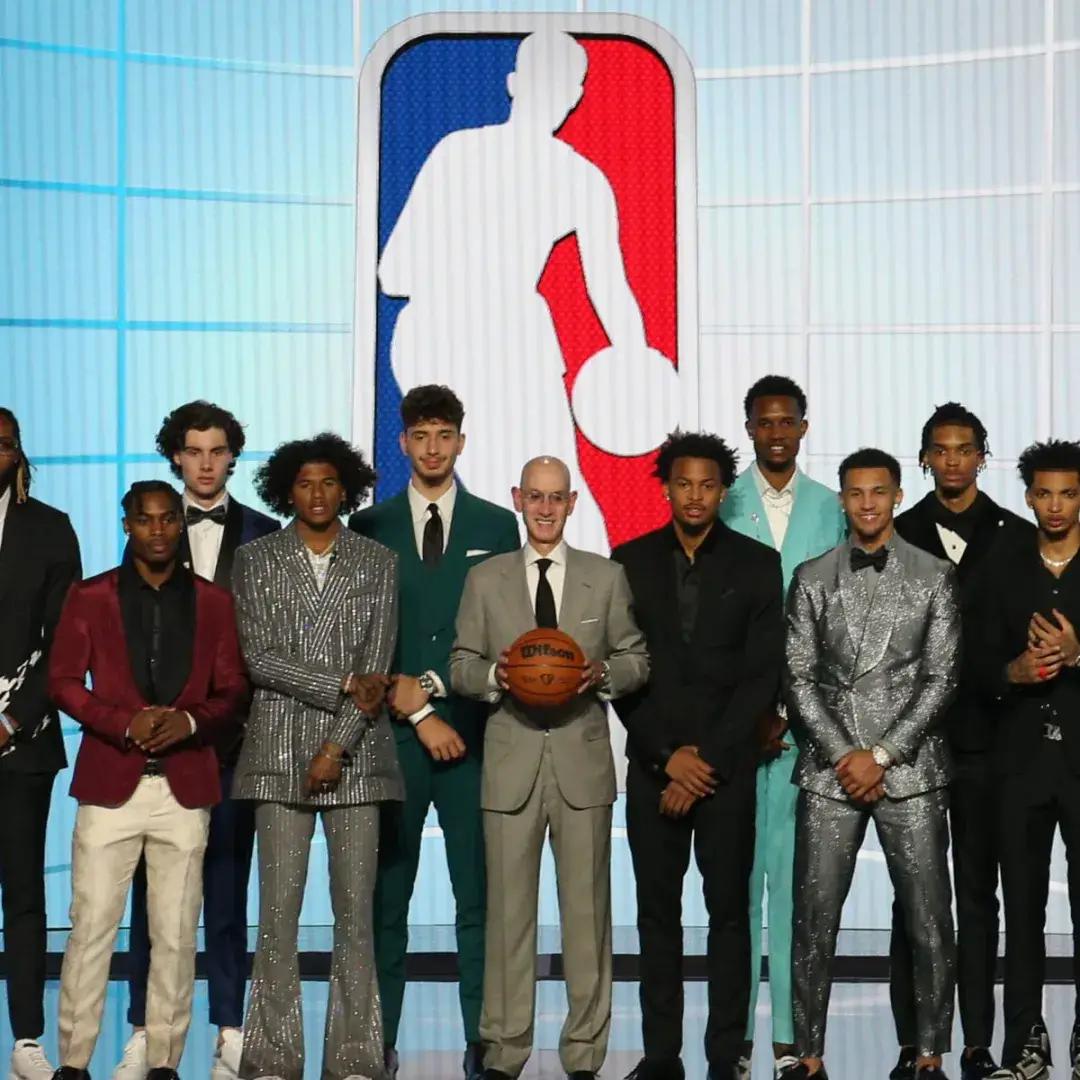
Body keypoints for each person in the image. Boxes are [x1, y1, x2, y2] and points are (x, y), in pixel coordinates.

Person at [381, 30, 668, 551]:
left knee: (543, 491)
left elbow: (611, 291)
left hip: (497, 341)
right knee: (526, 495)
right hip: (462, 339)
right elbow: (393, 273)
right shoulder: (553, 172)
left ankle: (578, 599)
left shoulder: (480, 156)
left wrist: (636, 365)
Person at [449, 455, 649, 1080]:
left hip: (581, 765)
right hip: (510, 764)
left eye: (555, 497)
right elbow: (460, 663)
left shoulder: (605, 577)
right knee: (508, 917)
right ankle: (504, 1051)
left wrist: (604, 672)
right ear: (517, 499)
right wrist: (496, 675)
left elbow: (636, 657)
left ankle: (584, 1054)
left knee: (587, 917)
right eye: (534, 496)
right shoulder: (485, 579)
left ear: (571, 503)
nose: (544, 508)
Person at [47, 481, 248, 1080]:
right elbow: (63, 682)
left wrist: (189, 722)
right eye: (145, 519)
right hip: (110, 784)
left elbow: (232, 690)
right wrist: (122, 722)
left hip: (185, 787)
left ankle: (164, 1063)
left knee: (177, 936)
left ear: (180, 524)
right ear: (127, 524)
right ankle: (74, 1063)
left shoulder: (215, 602)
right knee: (90, 931)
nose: (157, 530)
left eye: (167, 519)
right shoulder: (90, 596)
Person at [350, 385, 519, 1080]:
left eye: (443, 434)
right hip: (390, 738)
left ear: (461, 441)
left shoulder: (497, 525)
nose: (432, 448)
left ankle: (483, 1038)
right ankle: (378, 1039)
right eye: (420, 435)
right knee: (386, 895)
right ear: (402, 442)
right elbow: (359, 632)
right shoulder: (370, 525)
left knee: (478, 895)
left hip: (474, 735)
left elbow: (505, 631)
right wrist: (416, 711)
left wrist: (438, 695)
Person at [611, 431, 784, 1080]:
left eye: (707, 485)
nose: (694, 495)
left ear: (723, 491)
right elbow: (621, 672)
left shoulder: (757, 564)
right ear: (665, 487)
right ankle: (661, 1056)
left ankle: (724, 1054)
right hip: (653, 770)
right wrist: (666, 756)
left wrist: (702, 762)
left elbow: (761, 678)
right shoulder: (628, 561)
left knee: (729, 917)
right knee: (656, 917)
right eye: (683, 483)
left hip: (725, 772)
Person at [115, 401, 279, 1080]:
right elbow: (130, 634)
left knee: (228, 891)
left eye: (217, 451)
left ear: (232, 458)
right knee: (152, 895)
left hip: (238, 741)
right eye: (194, 451)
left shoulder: (265, 534)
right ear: (175, 457)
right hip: (161, 743)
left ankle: (230, 1028)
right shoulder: (148, 529)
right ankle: (143, 1029)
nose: (206, 463)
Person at [232, 433, 403, 1080]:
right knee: (276, 918)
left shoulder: (378, 562)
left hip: (355, 756)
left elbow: (377, 670)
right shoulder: (255, 560)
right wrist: (339, 683)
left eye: (329, 482)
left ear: (347, 488)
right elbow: (259, 659)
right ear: (286, 490)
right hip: (277, 754)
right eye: (305, 483)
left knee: (355, 918)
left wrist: (336, 747)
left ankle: (355, 1057)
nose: (317, 494)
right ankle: (272, 1056)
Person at [785, 448, 959, 1080]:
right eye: (856, 493)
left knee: (929, 921)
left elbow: (941, 680)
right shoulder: (811, 577)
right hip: (831, 772)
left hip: (909, 772)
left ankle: (930, 1053)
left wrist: (880, 755)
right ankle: (808, 1055)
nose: (867, 503)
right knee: (814, 919)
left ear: (897, 496)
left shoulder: (935, 575)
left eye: (878, 492)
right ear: (841, 499)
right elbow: (798, 679)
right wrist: (845, 755)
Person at [888, 404, 1032, 1080]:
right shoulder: (898, 532)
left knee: (977, 893)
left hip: (988, 742)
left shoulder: (1016, 535)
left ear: (982, 455)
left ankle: (976, 1039)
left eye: (964, 449)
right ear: (924, 458)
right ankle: (913, 1041)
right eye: (940, 450)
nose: (952, 460)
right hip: (912, 741)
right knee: (912, 898)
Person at [718, 377, 846, 1080]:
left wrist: (800, 712)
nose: (775, 432)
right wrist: (752, 711)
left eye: (786, 421)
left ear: (803, 426)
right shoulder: (721, 500)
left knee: (801, 888)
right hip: (738, 721)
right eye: (763, 421)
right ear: (749, 427)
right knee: (736, 885)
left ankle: (793, 1036)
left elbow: (842, 619)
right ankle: (736, 1035)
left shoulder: (831, 507)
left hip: (811, 726)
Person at [971, 441, 1080, 1080]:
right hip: (1018, 764)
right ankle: (1025, 1045)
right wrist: (1011, 672)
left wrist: (1078, 654)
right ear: (1029, 496)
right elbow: (972, 660)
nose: (1056, 505)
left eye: (1068, 493)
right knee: (1022, 909)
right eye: (1045, 493)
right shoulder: (1001, 563)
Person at [0, 408, 81, 1080]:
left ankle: (26, 1039)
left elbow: (66, 643)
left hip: (22, 744)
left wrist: (11, 718)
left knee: (24, 892)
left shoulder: (51, 529)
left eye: (2, 443)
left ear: (19, 453)